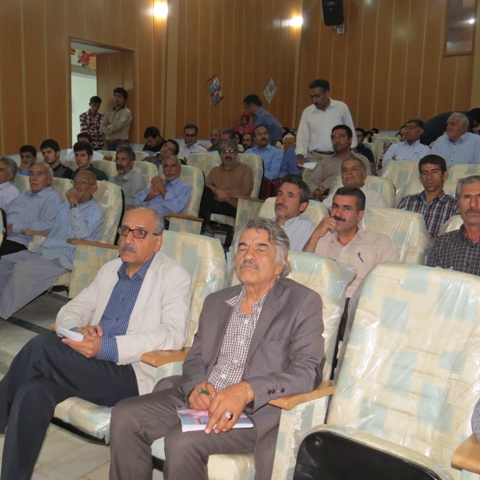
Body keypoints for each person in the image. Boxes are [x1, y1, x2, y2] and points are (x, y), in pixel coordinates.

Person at [108, 217, 325, 480]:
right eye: (243, 248)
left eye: (260, 248)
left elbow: (308, 370)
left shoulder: (301, 302)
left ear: (280, 264)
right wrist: (197, 388)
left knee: (182, 441)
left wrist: (247, 390)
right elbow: (196, 358)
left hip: (252, 411)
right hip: (203, 396)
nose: (248, 255)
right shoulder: (217, 301)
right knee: (125, 415)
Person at [0, 207, 192, 480]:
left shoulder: (174, 276)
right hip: (89, 365)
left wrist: (107, 347)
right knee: (34, 389)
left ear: (157, 241)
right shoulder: (110, 269)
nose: (129, 239)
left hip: (131, 374)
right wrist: (78, 330)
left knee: (42, 346)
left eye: (140, 233)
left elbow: (173, 335)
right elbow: (73, 308)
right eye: (125, 230)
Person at [0, 170, 105, 320]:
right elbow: (52, 226)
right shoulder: (65, 205)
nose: (77, 185)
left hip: (64, 256)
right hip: (44, 250)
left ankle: (2, 311)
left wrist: (74, 205)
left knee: (22, 269)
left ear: (93, 188)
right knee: (3, 262)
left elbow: (81, 234)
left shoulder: (96, 210)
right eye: (75, 181)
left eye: (83, 182)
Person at [1, 163, 62, 256]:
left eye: (39, 174)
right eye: (32, 174)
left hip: (19, 241)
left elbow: (48, 224)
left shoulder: (52, 198)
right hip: (3, 236)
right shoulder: (23, 195)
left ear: (49, 180)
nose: (34, 178)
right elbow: (3, 211)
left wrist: (14, 228)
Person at [296, 79, 357, 168]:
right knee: (308, 177)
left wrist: (354, 155)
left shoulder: (341, 107)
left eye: (317, 96)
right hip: (315, 158)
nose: (314, 100)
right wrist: (300, 157)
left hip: (338, 156)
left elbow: (350, 131)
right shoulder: (308, 112)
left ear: (327, 93)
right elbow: (302, 137)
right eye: (312, 97)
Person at [426, 176, 480, 274]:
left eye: (479, 197)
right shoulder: (442, 243)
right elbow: (429, 280)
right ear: (458, 206)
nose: (473, 204)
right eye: (467, 197)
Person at [397, 155, 457, 240]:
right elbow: (395, 231)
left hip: (438, 249)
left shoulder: (455, 206)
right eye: (424, 173)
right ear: (420, 178)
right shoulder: (406, 202)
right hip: (405, 248)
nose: (429, 177)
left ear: (445, 175)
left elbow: (454, 240)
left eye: (434, 172)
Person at [199, 141, 253, 236]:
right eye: (225, 152)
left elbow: (246, 190)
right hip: (214, 202)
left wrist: (224, 193)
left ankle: (204, 227)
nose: (228, 155)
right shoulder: (215, 170)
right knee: (203, 192)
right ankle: (203, 227)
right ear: (220, 155)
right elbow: (207, 187)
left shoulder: (245, 169)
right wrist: (217, 191)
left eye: (231, 151)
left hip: (232, 205)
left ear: (236, 154)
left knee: (203, 203)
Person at [308, 125, 371, 201]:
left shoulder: (361, 160)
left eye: (341, 136)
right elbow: (313, 182)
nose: (337, 140)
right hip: (324, 200)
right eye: (333, 137)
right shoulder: (326, 161)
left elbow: (368, 183)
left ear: (350, 140)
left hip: (351, 199)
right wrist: (318, 193)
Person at [274, 175, 315, 250]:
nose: (280, 200)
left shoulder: (305, 227)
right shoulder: (262, 223)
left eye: (290, 196)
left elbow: (303, 256)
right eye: (280, 194)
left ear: (302, 206)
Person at [245, 125, 283, 197]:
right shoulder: (248, 153)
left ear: (268, 136)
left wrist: (257, 178)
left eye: (265, 133)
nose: (263, 136)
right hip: (246, 182)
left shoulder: (277, 153)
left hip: (263, 184)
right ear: (254, 138)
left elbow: (274, 173)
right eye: (259, 134)